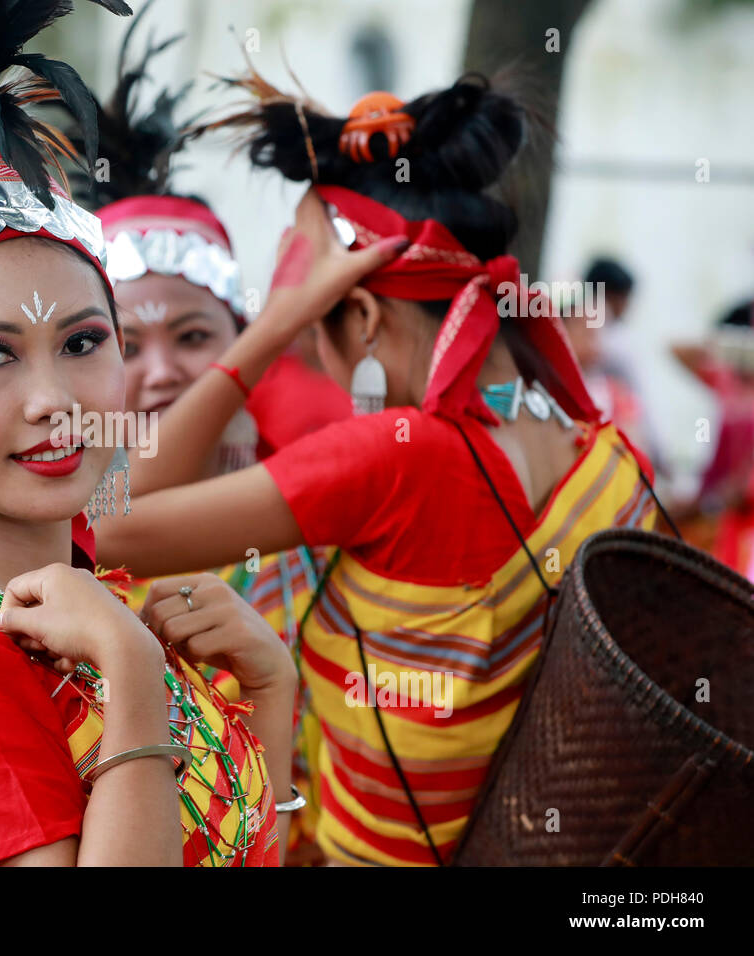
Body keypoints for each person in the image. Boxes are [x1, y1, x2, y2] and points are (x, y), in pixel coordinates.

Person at [96, 70, 663, 865]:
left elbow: (104, 523)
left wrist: (266, 330)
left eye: (309, 299)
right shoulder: (597, 444)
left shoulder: (396, 458)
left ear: (360, 312)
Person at [0, 0, 294, 867]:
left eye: (83, 342)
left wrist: (271, 691)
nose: (54, 398)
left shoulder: (98, 593)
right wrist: (133, 674)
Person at [73, 10, 328, 857]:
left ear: (237, 342)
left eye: (193, 337)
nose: (160, 374)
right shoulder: (60, 544)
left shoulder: (312, 508)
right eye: (123, 345)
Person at [671, 298, 754, 575]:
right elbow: (677, 348)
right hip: (717, 521)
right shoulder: (726, 381)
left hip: (738, 527)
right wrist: (736, 346)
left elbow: (741, 489)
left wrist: (704, 505)